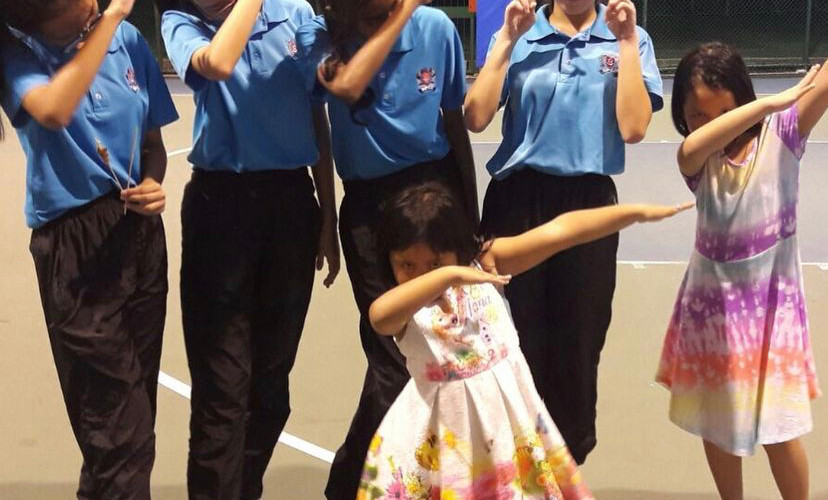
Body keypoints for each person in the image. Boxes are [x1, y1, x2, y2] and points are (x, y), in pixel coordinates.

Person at [358, 182, 690, 498]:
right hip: (446, 443)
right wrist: (447, 273)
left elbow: (562, 231)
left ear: (458, 248)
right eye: (407, 264)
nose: (421, 274)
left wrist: (632, 213)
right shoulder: (404, 306)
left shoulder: (486, 264)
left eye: (435, 262)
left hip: (507, 431)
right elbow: (379, 317)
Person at [463, 0, 663, 464]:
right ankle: (510, 458)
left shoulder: (629, 38)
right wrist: (506, 40)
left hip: (588, 203)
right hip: (518, 203)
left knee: (580, 338)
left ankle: (566, 463)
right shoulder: (519, 32)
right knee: (513, 338)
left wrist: (626, 42)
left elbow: (634, 127)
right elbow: (475, 117)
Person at [294, 1, 478, 497]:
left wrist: (471, 218)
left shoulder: (435, 29)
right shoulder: (321, 36)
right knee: (393, 357)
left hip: (434, 194)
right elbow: (339, 99)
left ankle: (430, 479)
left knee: (446, 348)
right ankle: (351, 483)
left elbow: (453, 123)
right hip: (368, 207)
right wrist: (328, 217)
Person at [158, 0, 340, 498]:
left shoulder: (294, 12)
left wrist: (328, 215)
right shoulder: (182, 22)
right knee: (221, 389)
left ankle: (243, 489)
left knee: (271, 386)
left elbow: (316, 115)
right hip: (221, 209)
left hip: (291, 204)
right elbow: (216, 63)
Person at [0, 0, 178, 497]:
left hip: (138, 234)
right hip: (75, 247)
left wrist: (153, 182)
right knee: (119, 432)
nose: (95, 4)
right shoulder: (18, 52)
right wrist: (113, 20)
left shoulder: (128, 42)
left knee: (129, 417)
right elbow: (54, 109)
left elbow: (153, 145)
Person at [656, 43, 827, 500]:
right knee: (716, 423)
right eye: (697, 116)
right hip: (714, 314)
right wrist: (768, 103)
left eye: (724, 111)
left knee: (780, 428)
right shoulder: (697, 159)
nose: (710, 125)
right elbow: (691, 147)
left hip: (772, 309)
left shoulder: (783, 134)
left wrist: (775, 110)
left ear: (741, 99)